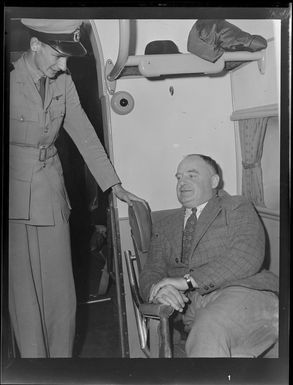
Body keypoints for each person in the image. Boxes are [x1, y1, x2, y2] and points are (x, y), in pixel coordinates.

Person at [8, 19, 145, 358]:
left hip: (50, 194)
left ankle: (61, 366)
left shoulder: (63, 82)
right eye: (58, 56)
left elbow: (83, 133)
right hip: (12, 195)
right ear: (36, 45)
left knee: (61, 296)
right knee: (23, 296)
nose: (64, 65)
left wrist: (113, 184)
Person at [139, 154, 279, 357]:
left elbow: (247, 256)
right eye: (178, 177)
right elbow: (151, 270)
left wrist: (186, 281)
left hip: (245, 292)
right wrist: (157, 290)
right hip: (191, 310)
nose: (182, 182)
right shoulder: (164, 225)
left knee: (209, 330)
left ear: (214, 181)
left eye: (191, 176)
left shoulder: (237, 207)